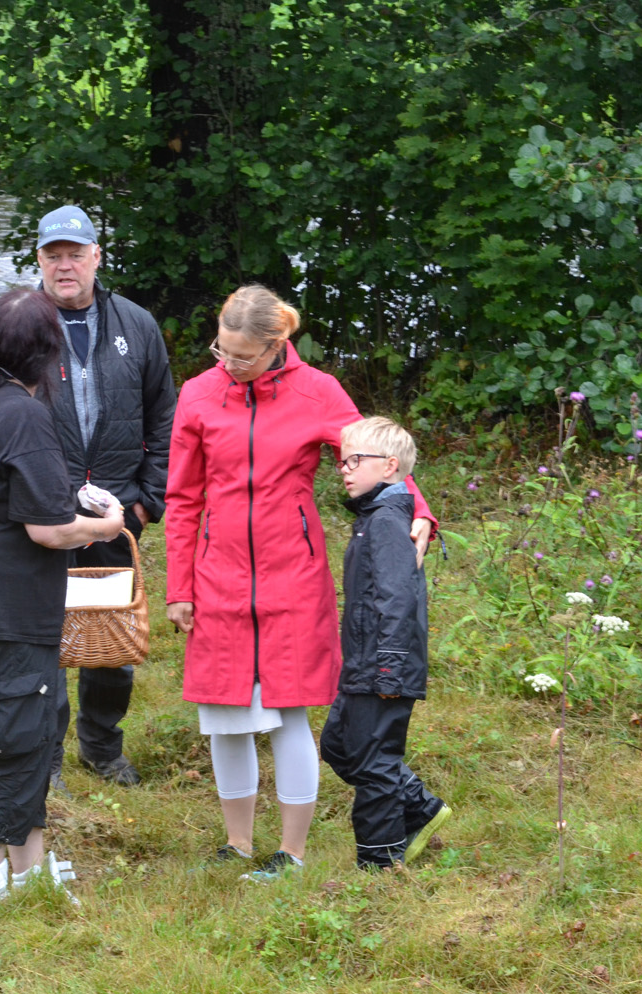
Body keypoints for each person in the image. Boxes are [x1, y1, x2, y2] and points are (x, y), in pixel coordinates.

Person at [163, 285, 435, 882]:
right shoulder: (198, 394)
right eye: (221, 351)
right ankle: (236, 843)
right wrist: (179, 586)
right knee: (224, 713)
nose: (228, 365)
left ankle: (292, 852)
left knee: (288, 712)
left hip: (294, 574)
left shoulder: (319, 392)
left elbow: (375, 453)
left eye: (242, 356)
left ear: (276, 345)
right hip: (218, 576)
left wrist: (416, 508)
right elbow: (182, 498)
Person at [0, 287, 126, 905]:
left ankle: (31, 868)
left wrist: (71, 498)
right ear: (45, 353)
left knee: (40, 724)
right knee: (15, 740)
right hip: (1, 609)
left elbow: (20, 495)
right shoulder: (22, 412)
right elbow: (49, 529)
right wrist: (107, 525)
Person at [33, 205, 176, 791]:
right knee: (41, 639)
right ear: (38, 259)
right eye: (52, 255)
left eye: (75, 254)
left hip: (116, 514)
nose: (64, 266)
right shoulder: (19, 323)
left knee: (110, 639)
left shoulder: (136, 325)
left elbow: (167, 417)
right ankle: (44, 758)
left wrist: (147, 501)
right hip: (39, 513)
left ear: (97, 256)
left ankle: (101, 747)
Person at [321, 417, 451, 868]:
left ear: (390, 466)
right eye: (342, 460)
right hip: (363, 660)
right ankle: (420, 806)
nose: (344, 468)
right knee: (338, 746)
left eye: (356, 460)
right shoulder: (373, 518)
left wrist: (390, 667)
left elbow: (398, 599)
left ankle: (379, 861)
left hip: (383, 664)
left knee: (375, 761)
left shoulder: (388, 522)